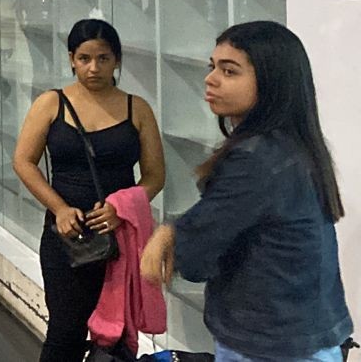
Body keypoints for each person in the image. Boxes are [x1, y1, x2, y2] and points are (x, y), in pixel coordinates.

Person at [140, 22, 352, 362]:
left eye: (229, 71)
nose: (210, 79)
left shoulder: (258, 158)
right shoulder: (292, 145)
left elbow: (197, 253)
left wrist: (169, 237)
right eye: (212, 66)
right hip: (305, 330)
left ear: (271, 81)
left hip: (271, 343)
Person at [12, 19, 165, 362]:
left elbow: (155, 176)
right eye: (84, 58)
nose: (93, 68)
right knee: (65, 331)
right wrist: (60, 209)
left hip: (119, 237)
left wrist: (121, 209)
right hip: (66, 236)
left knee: (116, 335)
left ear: (117, 61)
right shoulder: (51, 103)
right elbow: (23, 161)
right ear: (71, 59)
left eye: (103, 58)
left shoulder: (137, 108)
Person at [15, 0, 58, 79]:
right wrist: (22, 24)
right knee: (36, 57)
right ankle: (38, 79)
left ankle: (52, 78)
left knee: (51, 56)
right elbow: (18, 9)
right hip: (32, 28)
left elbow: (60, 9)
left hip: (49, 28)